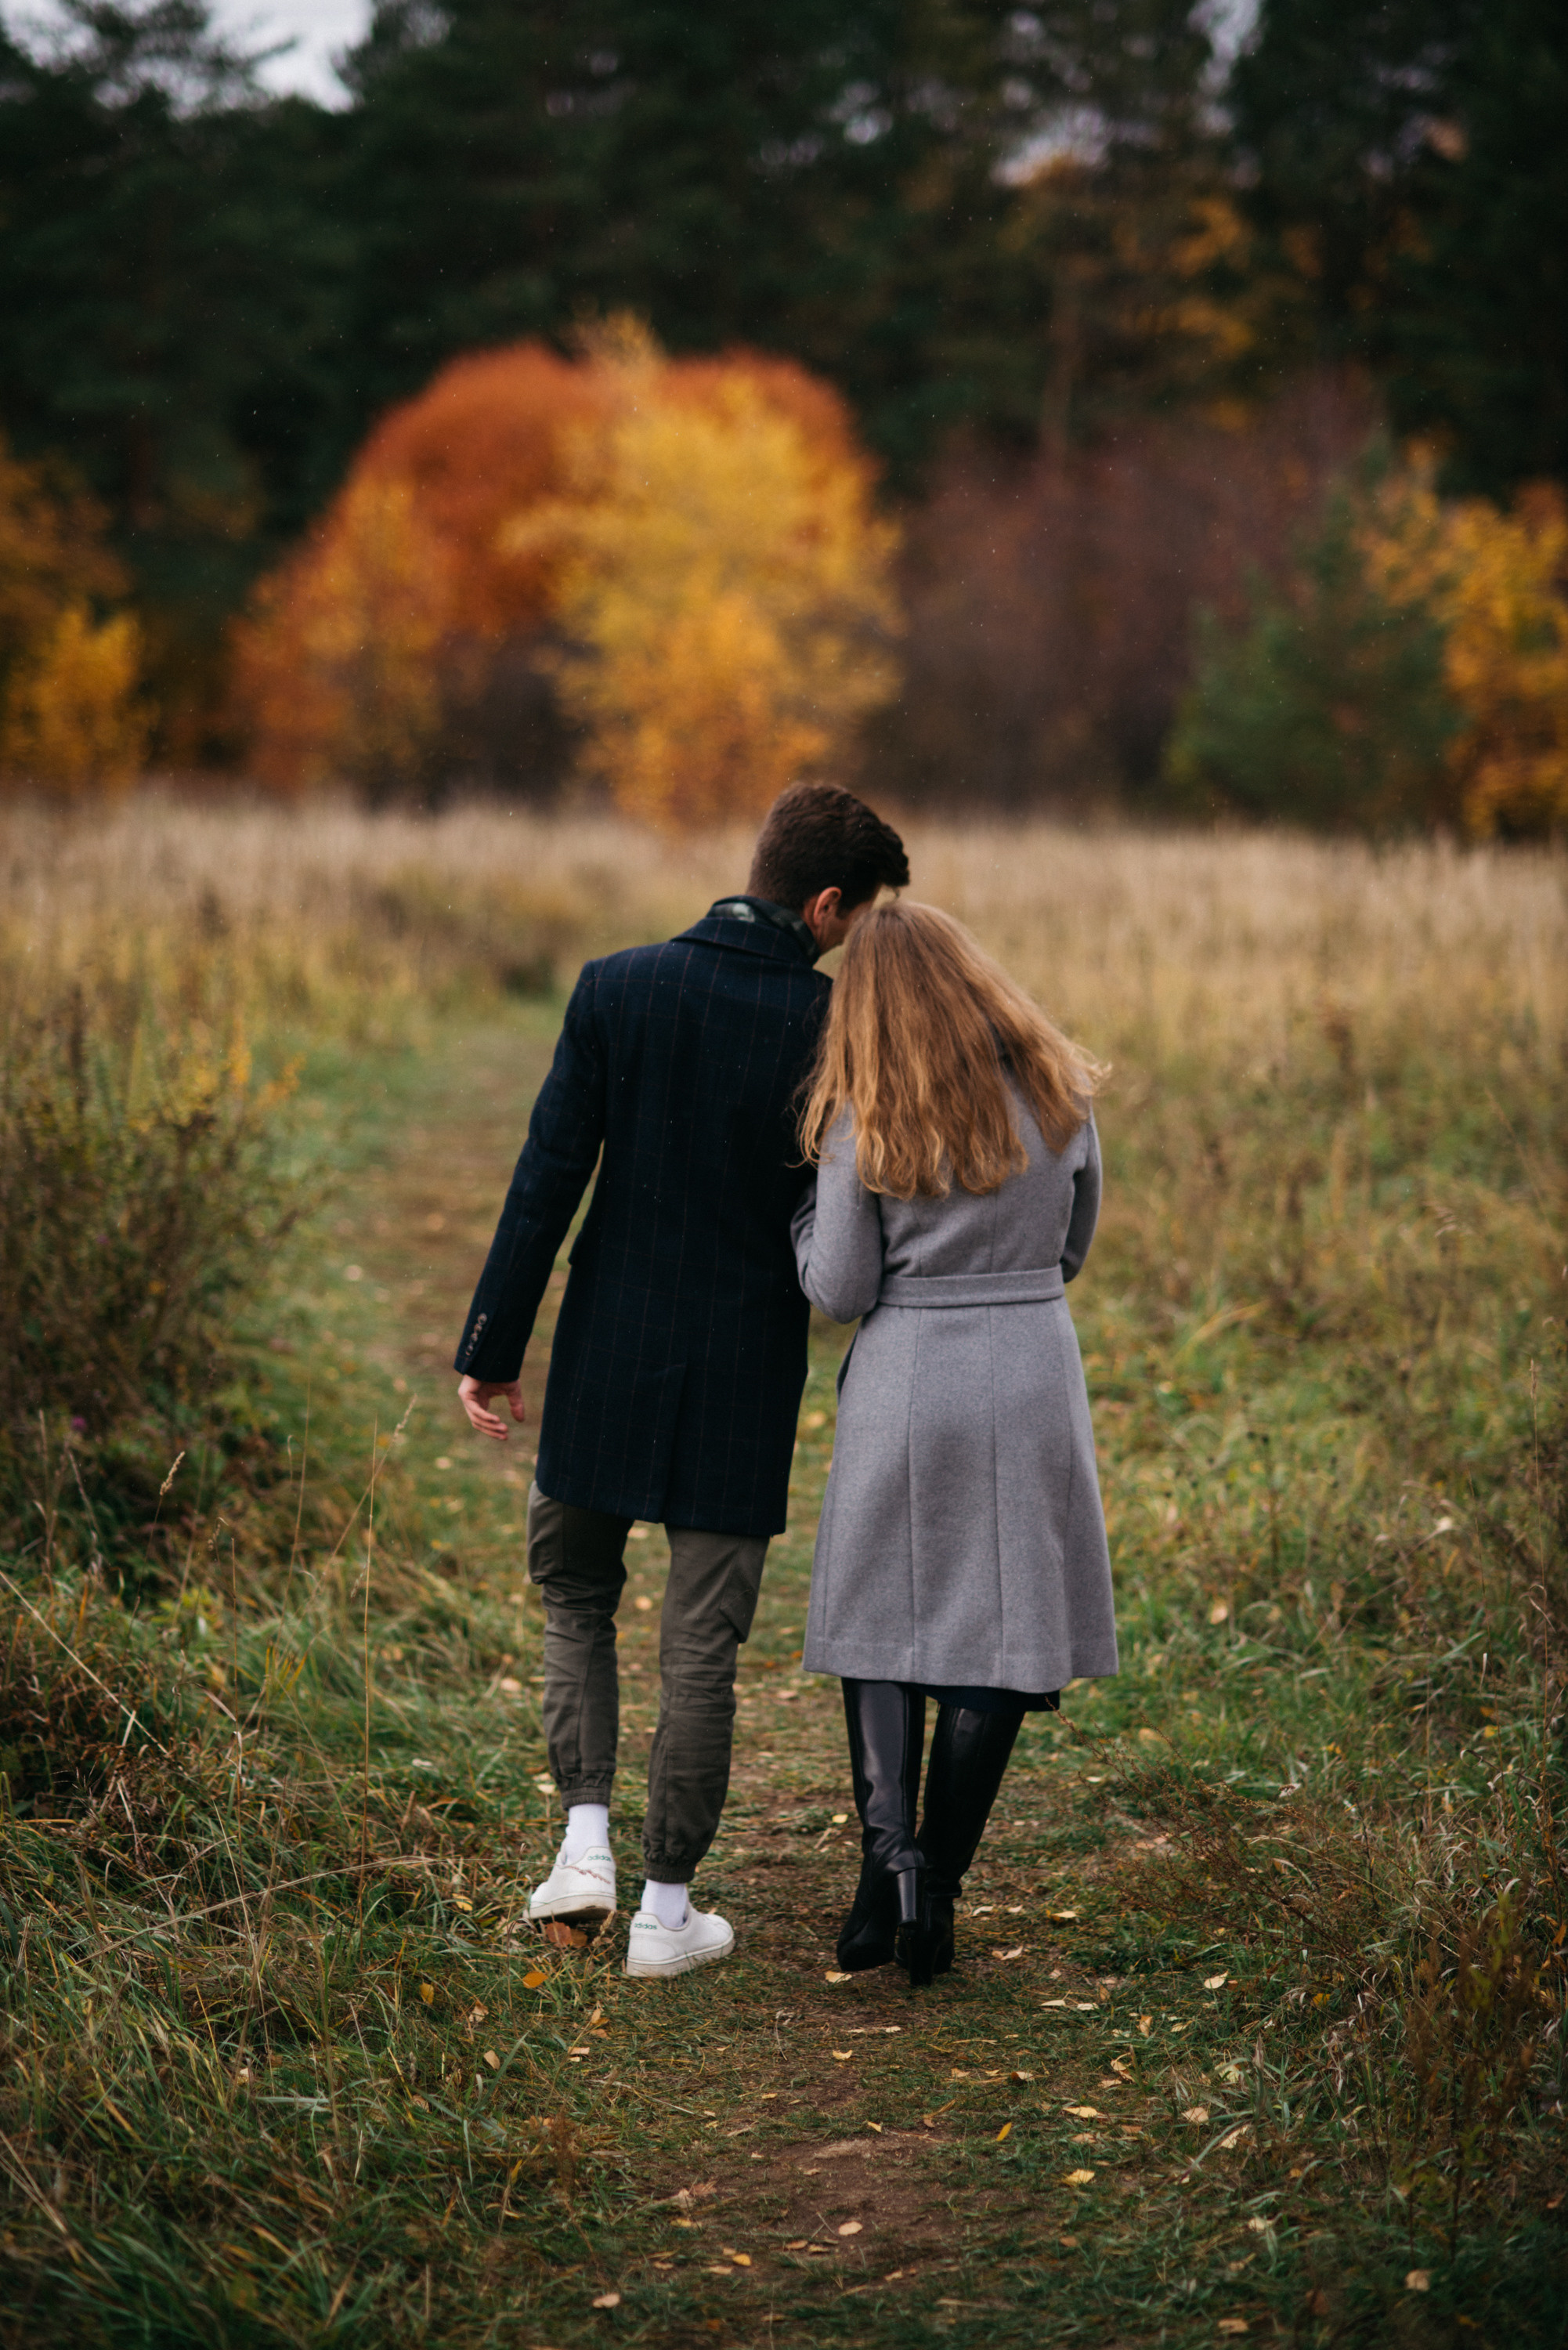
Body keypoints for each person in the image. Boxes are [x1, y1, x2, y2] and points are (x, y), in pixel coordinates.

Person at [454, 783, 909, 1979]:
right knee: (700, 1649)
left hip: (606, 1352)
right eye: (853, 922)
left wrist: (491, 1345)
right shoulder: (829, 1033)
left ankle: (583, 1848)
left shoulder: (618, 987)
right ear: (821, 903)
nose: (850, 944)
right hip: (743, 1374)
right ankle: (665, 1914)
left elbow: (546, 1176)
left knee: (575, 1598)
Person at [792, 899, 1117, 1985]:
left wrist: (803, 1221)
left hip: (909, 1374)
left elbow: (839, 1287)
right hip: (1028, 1366)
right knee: (1005, 1624)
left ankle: (891, 1876)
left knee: (882, 1616)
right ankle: (937, 1881)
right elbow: (1072, 1247)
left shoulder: (862, 1115)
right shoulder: (1059, 1093)